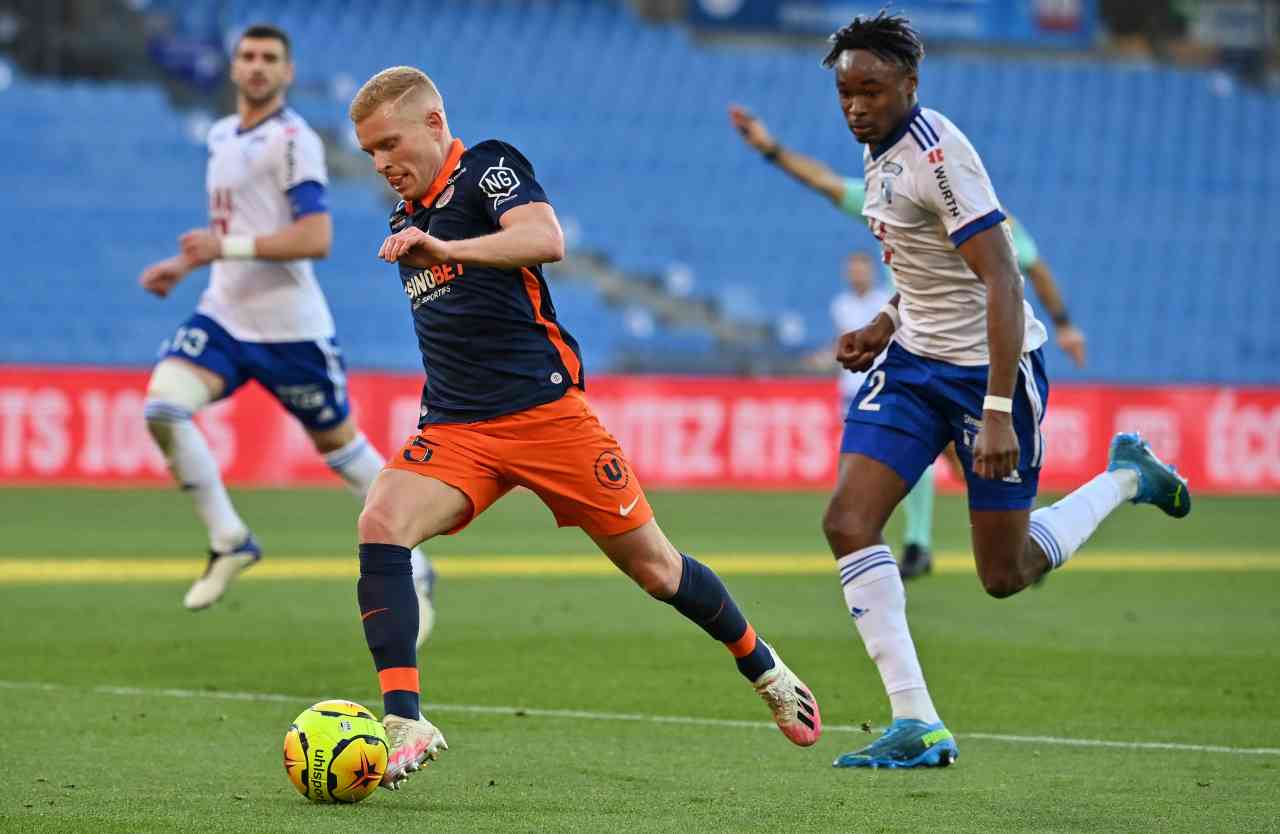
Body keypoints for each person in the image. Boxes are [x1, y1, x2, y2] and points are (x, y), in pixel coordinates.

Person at [346, 65, 823, 790]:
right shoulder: (404, 217)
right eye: (369, 153)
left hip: (547, 417)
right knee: (380, 523)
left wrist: (449, 250)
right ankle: (405, 719)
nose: (381, 163)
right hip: (457, 426)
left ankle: (764, 667)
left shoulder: (488, 168)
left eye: (389, 144)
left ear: (434, 124)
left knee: (657, 570)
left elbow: (545, 238)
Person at [808, 12, 1190, 769]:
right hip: (914, 365)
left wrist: (995, 411)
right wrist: (886, 321)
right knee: (848, 522)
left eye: (871, 91)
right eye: (846, 92)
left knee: (1003, 574)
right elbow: (929, 271)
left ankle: (1126, 477)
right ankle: (916, 722)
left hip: (989, 373)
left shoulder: (939, 157)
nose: (856, 106)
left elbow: (1004, 280)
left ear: (910, 83)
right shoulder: (876, 151)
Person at [137, 24, 435, 644]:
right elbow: (231, 229)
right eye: (247, 56)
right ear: (233, 67)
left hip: (290, 330)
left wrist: (223, 249)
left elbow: (315, 237)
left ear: (287, 72)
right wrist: (185, 265)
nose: (257, 66)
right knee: (163, 407)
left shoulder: (294, 141)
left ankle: (416, 561)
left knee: (343, 453)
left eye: (270, 58)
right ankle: (229, 540)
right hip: (224, 316)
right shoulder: (221, 135)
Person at [730, 102, 1089, 580]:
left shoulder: (990, 221)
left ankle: (1018, 528)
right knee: (887, 472)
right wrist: (770, 149)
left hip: (979, 360)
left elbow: (1027, 270)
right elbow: (826, 183)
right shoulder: (892, 190)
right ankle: (920, 541)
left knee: (995, 544)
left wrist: (1063, 325)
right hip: (915, 348)